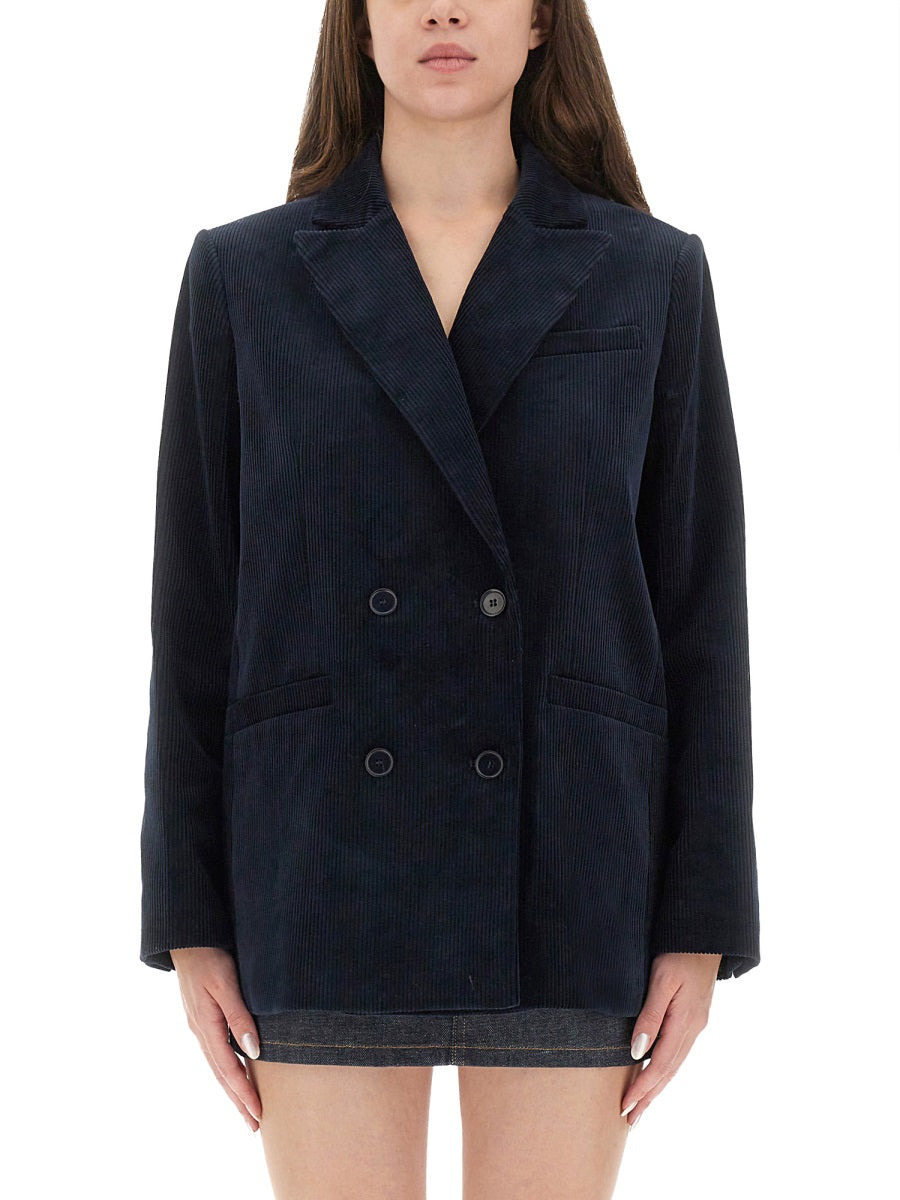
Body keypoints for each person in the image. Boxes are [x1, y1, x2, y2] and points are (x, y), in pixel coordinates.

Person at [140, 2, 760, 1196]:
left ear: (540, 22)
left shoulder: (649, 272)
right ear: (358, 22)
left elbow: (701, 617)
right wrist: (190, 916)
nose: (442, 7)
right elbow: (195, 616)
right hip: (320, 861)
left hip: (571, 862)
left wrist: (702, 920)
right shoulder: (245, 276)